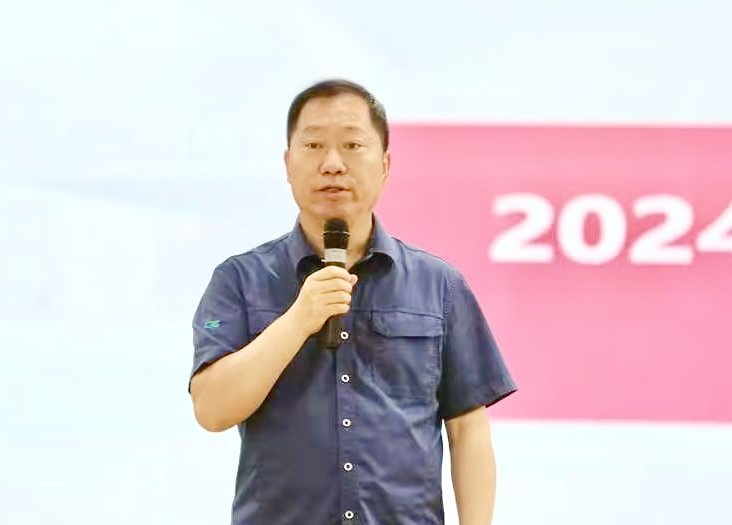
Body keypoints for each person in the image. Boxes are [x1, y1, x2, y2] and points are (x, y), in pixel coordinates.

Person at [188, 79, 517, 525]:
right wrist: (297, 320)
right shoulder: (240, 280)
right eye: (313, 145)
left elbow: (468, 429)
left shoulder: (439, 285)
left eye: (352, 145)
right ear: (287, 164)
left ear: (385, 164)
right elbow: (212, 410)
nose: (332, 164)